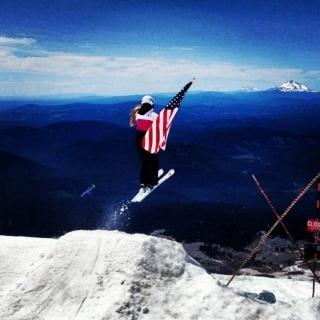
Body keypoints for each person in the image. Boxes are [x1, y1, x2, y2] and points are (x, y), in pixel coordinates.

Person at [130, 95, 159, 191]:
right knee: (153, 160)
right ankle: (152, 182)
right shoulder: (154, 115)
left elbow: (132, 123)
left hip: (139, 139)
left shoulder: (137, 113)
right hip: (149, 138)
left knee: (144, 161)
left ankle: (143, 183)